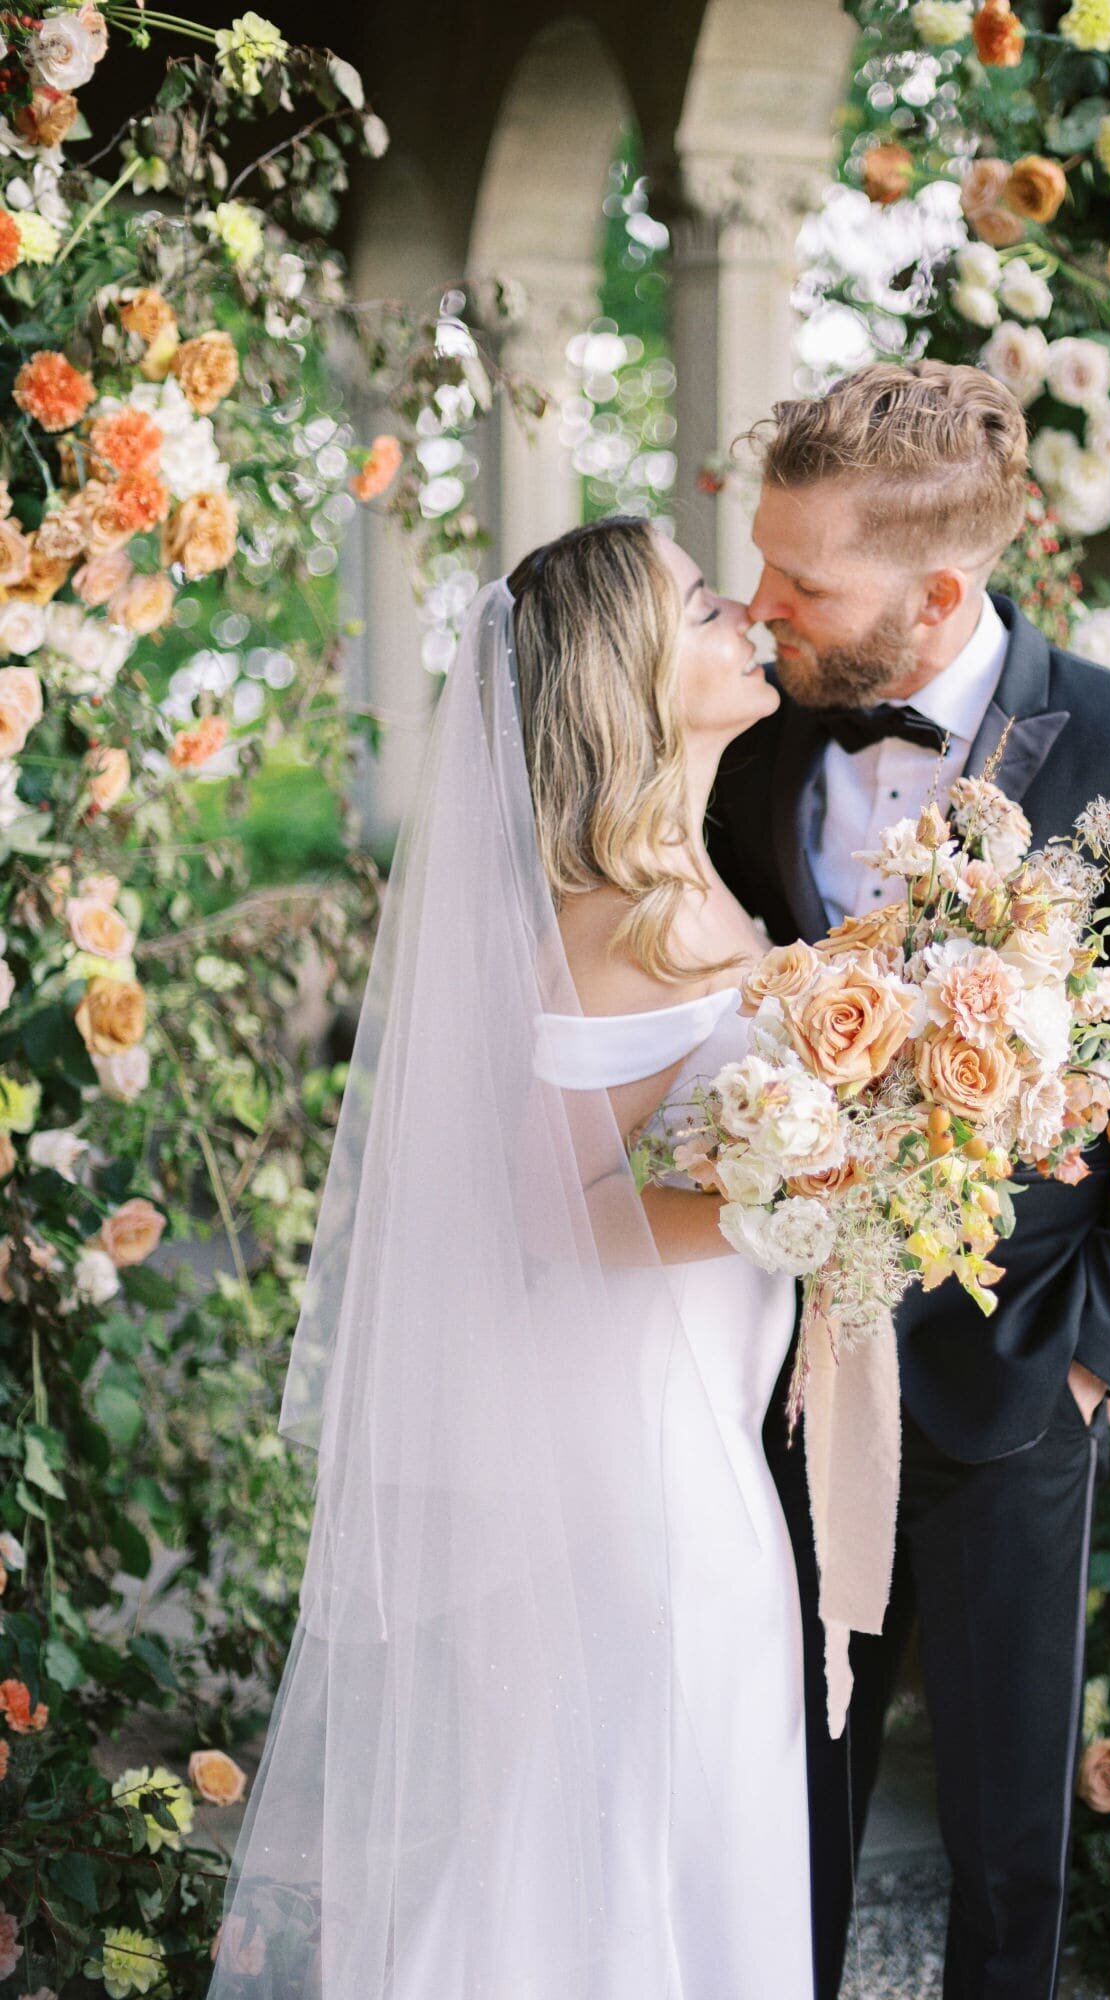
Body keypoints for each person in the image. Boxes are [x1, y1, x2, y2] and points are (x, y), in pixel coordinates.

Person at [206, 518, 814, 1999]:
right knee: (626, 1804)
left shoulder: (684, 881)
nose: (743, 614)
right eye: (701, 604)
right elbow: (569, 1218)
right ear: (628, 674)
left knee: (649, 1791)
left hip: (695, 1414)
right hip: (638, 1446)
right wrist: (816, 1180)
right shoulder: (621, 916)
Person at [707, 359, 1110, 2000]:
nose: (762, 609)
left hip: (1015, 1375)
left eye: (805, 584)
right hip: (775, 1358)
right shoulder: (749, 740)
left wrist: (1094, 1359)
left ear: (942, 592)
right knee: (781, 1782)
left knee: (1009, 1839)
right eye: (763, 563)